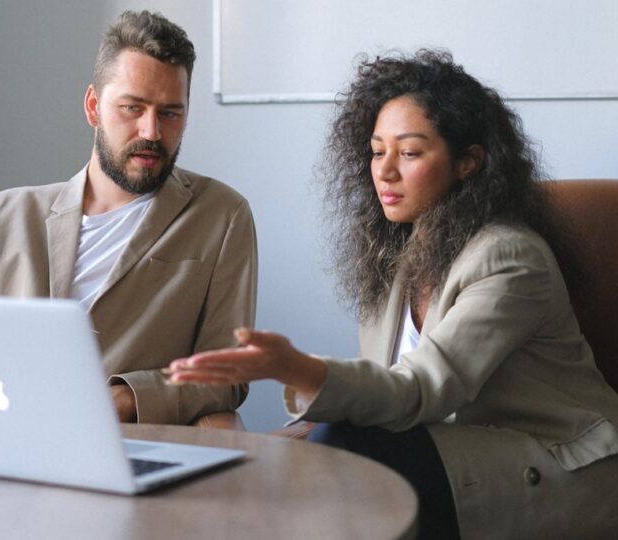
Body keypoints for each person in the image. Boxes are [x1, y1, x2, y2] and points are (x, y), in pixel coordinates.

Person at [166, 50, 618, 538]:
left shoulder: (509, 258)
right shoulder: (398, 256)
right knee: (300, 457)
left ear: (468, 162)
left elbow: (420, 390)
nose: (384, 171)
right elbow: (382, 392)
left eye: (409, 152)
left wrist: (293, 367)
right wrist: (286, 441)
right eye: (377, 151)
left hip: (558, 465)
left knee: (344, 449)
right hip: (454, 449)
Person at [0, 10, 257, 426]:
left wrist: (125, 399)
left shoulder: (221, 215)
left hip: (127, 444)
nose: (151, 131)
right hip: (1, 432)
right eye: (132, 108)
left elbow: (228, 373)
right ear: (93, 106)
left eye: (170, 113)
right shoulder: (2, 218)